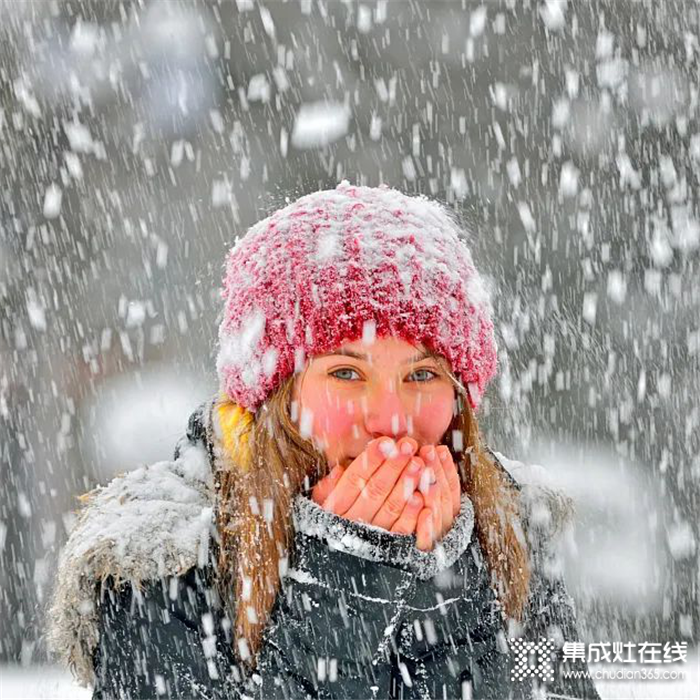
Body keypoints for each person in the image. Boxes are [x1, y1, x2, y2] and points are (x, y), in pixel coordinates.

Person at [46, 181, 601, 699]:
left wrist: (452, 585)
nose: (391, 419)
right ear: (274, 398)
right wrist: (342, 592)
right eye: (345, 373)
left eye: (423, 374)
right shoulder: (165, 566)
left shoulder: (509, 530)